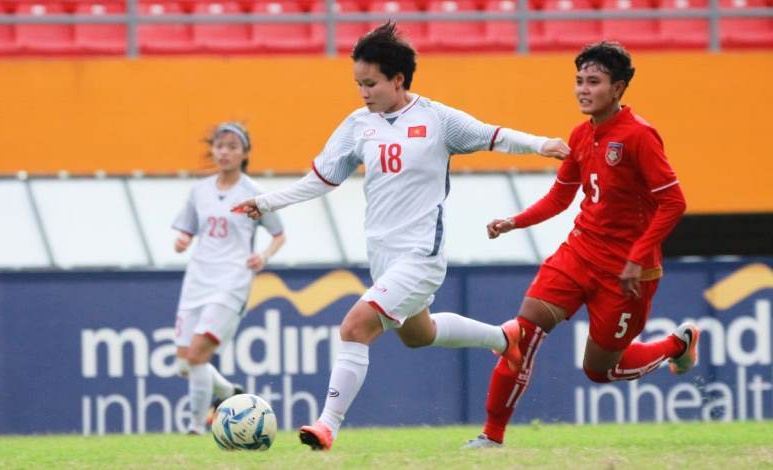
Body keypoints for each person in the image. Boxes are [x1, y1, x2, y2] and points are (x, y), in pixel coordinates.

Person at [231, 21, 570, 450]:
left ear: (398, 79)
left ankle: (327, 425)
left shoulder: (437, 119)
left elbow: (492, 136)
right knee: (418, 334)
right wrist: (266, 202)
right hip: (384, 256)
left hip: (421, 256)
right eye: (358, 84)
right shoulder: (357, 125)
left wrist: (541, 144)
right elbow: (321, 179)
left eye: (370, 83)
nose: (363, 93)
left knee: (355, 327)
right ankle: (505, 338)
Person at [464, 41, 696, 449]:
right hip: (579, 253)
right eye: (578, 81)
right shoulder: (580, 134)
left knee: (600, 371)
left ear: (619, 88)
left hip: (627, 273)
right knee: (521, 332)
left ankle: (678, 344)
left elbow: (674, 202)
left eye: (594, 81)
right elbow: (560, 197)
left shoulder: (640, 136)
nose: (583, 89)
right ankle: (491, 437)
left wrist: (637, 256)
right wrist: (513, 221)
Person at [172, 122, 286, 435]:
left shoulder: (254, 193)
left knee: (197, 355)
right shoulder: (200, 191)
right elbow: (186, 230)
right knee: (185, 364)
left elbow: (278, 234)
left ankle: (196, 427)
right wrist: (181, 241)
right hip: (197, 279)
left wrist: (263, 256)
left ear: (245, 153)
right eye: (220, 145)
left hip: (231, 282)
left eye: (232, 146)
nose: (224, 152)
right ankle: (229, 394)